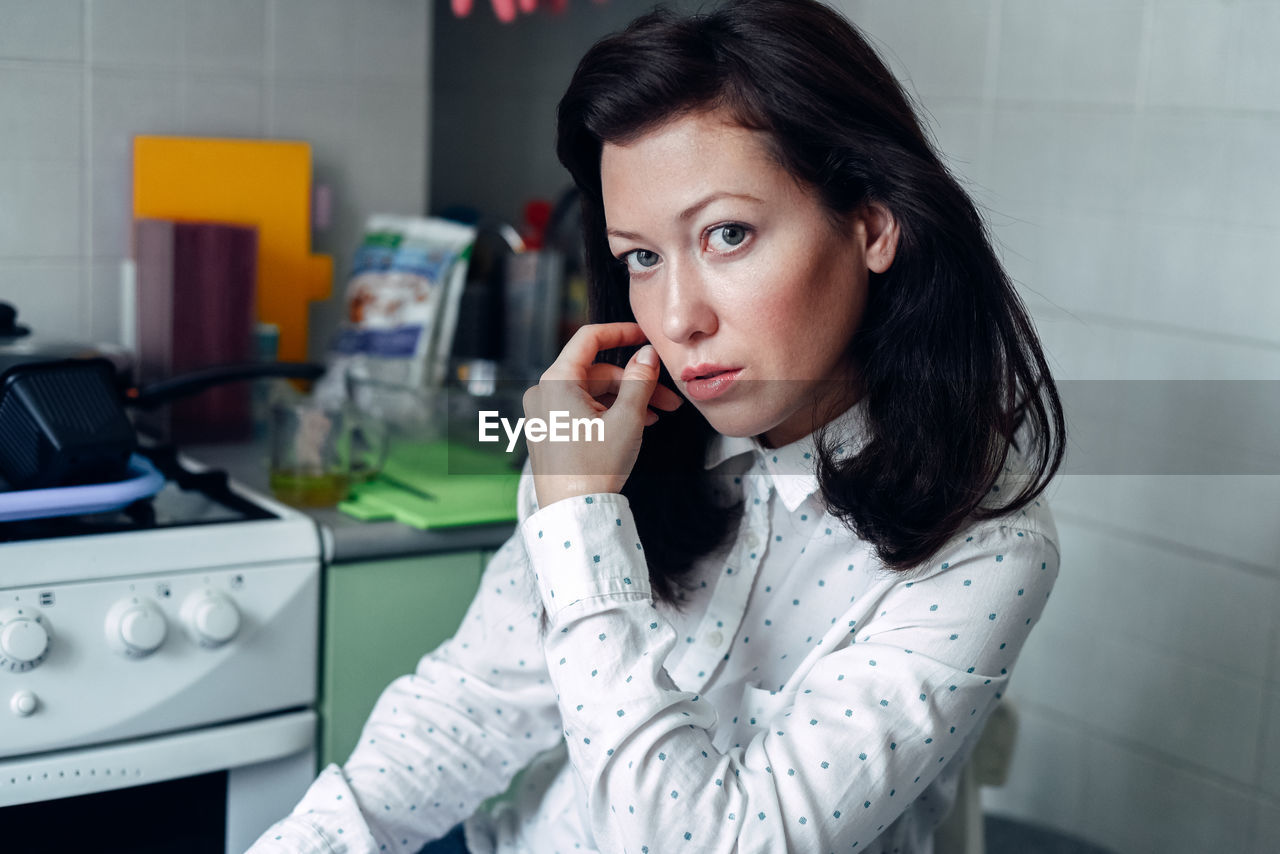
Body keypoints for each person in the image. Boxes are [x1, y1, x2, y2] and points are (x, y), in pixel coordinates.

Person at [249, 1, 1064, 852]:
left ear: (871, 225)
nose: (678, 318)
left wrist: (576, 525)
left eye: (727, 235)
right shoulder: (615, 453)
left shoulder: (986, 545)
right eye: (641, 256)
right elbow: (470, 710)